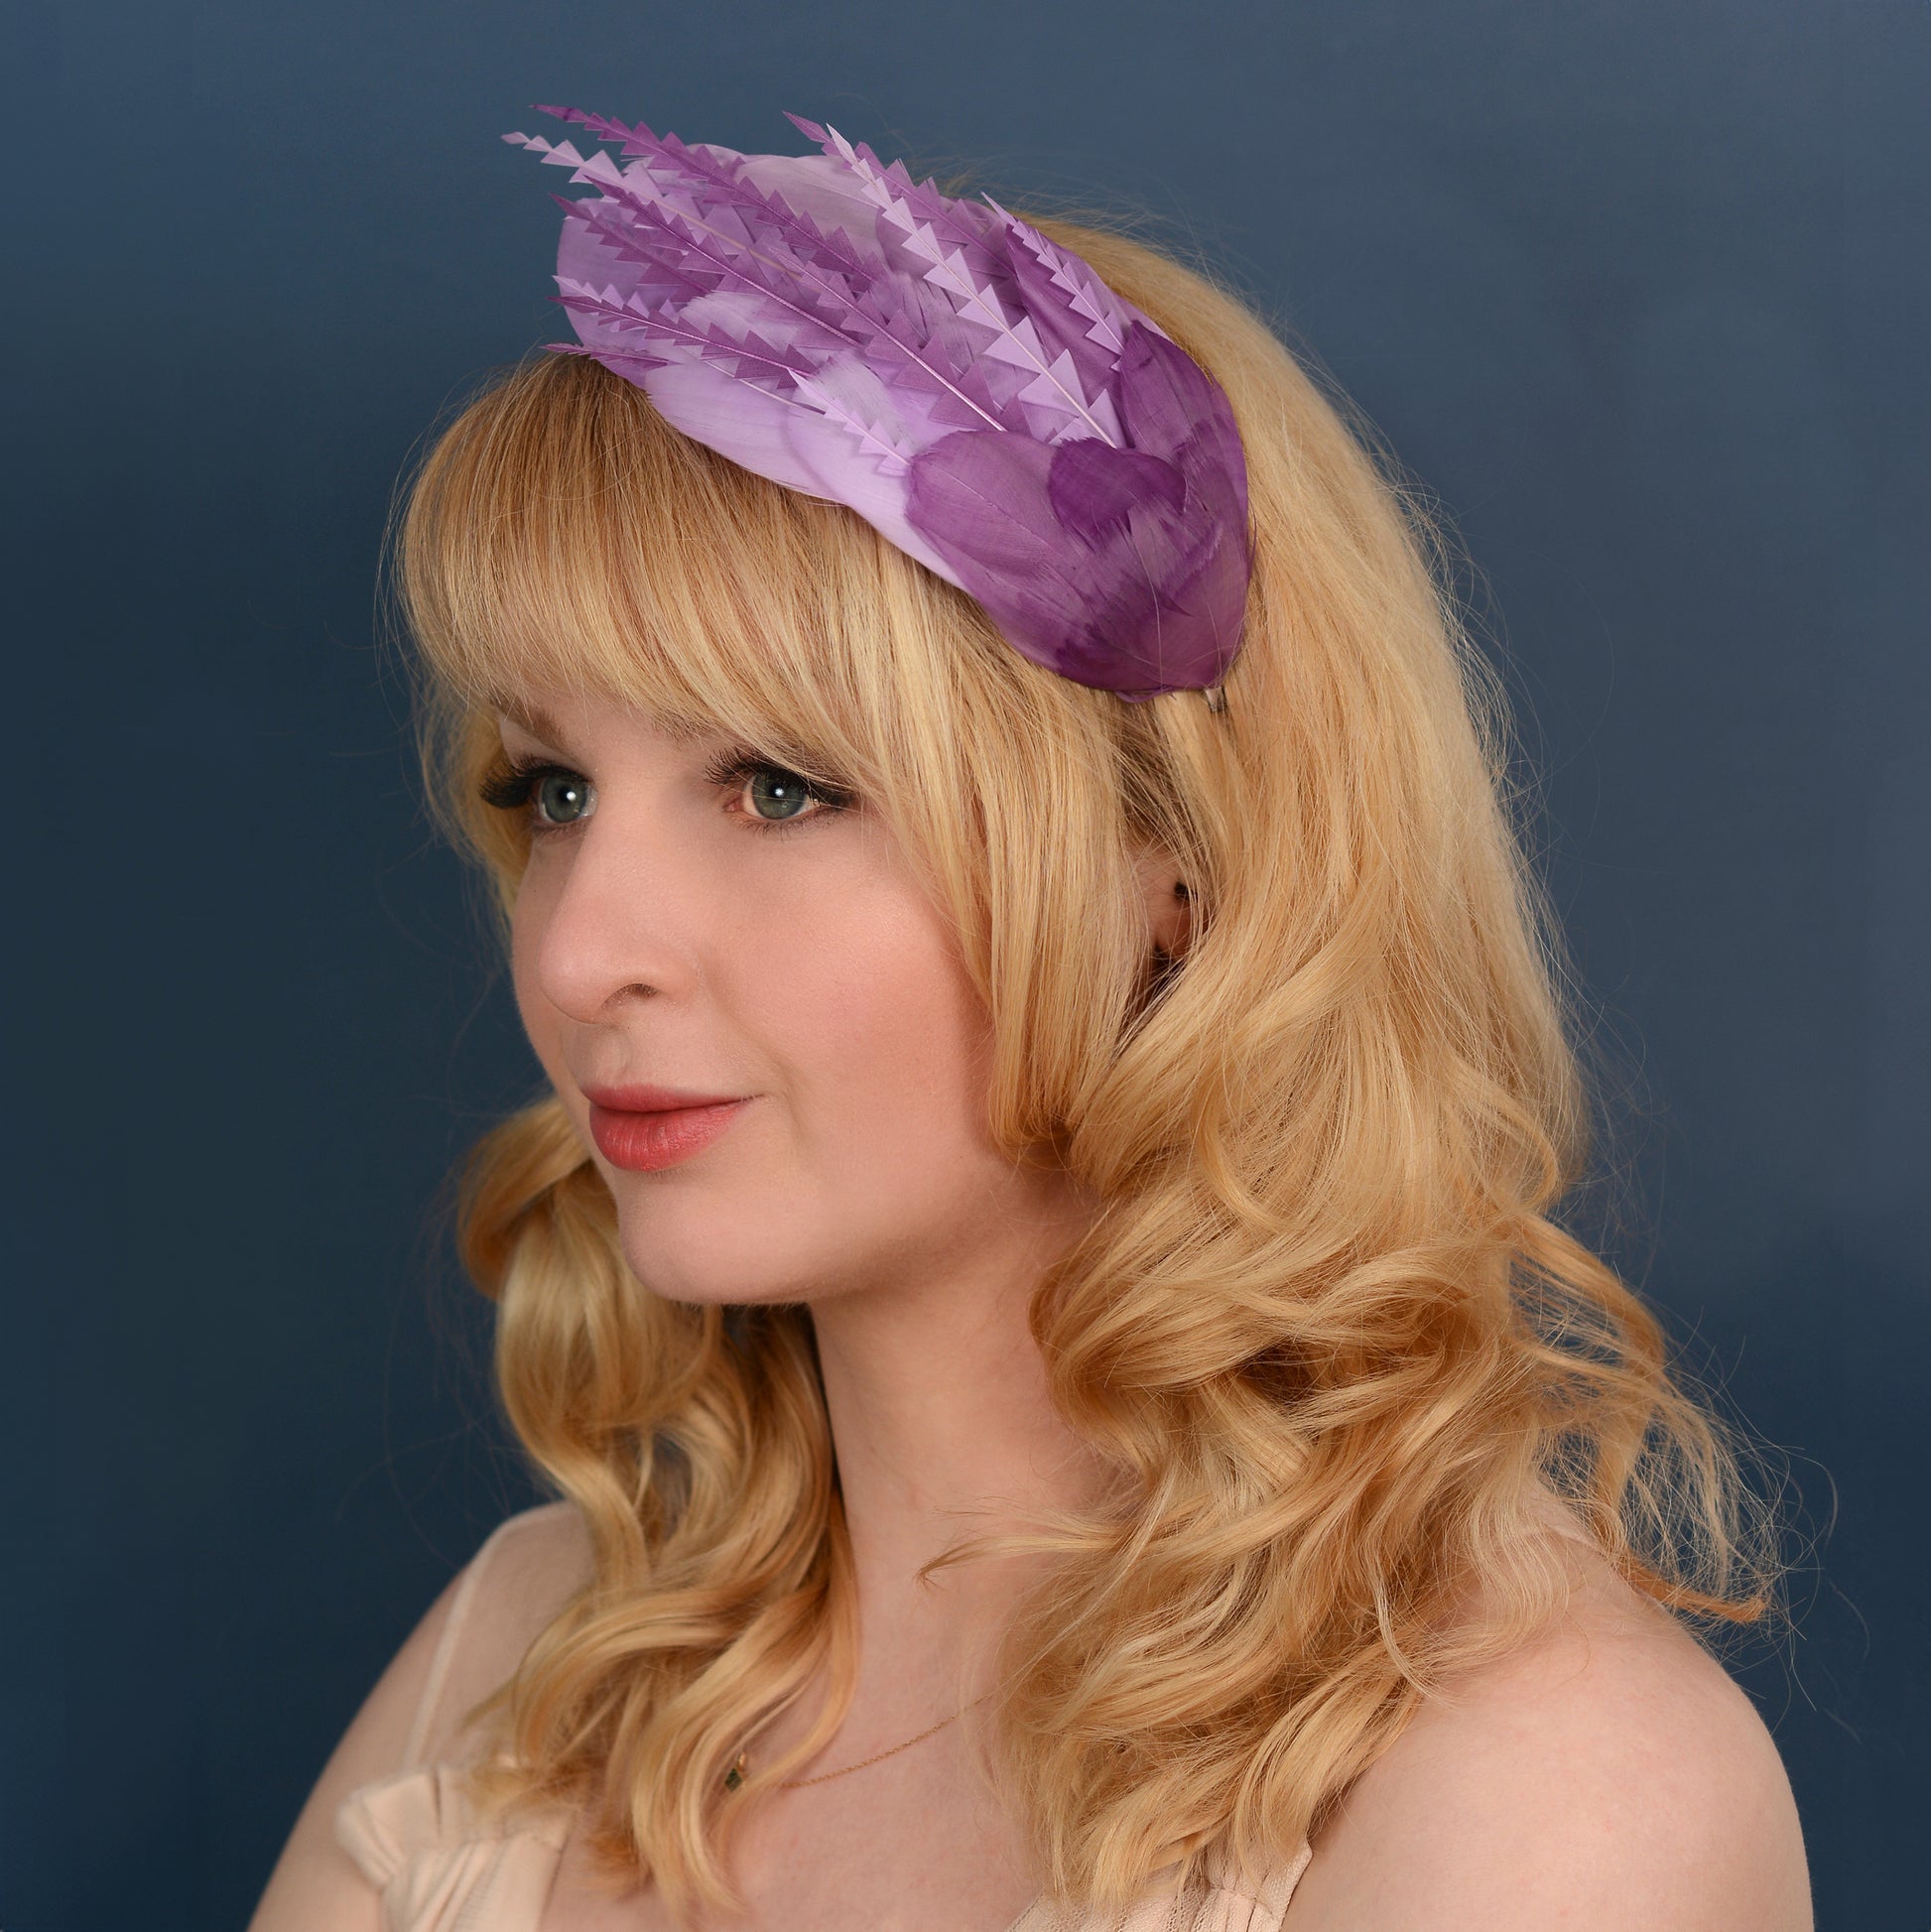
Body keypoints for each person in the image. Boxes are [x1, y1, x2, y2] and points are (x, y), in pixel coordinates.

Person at [248, 105, 1811, 1932]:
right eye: (553, 792)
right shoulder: (524, 1670)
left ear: (1176, 865)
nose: (584, 950)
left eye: (776, 787)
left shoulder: (1536, 1790)